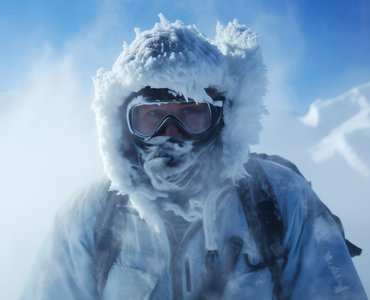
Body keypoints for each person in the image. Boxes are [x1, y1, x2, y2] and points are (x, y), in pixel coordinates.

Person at [22, 15, 367, 299]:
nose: (171, 134)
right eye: (153, 117)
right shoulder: (90, 214)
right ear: (125, 128)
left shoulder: (282, 200)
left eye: (191, 114)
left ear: (221, 120)